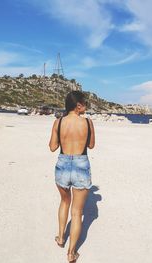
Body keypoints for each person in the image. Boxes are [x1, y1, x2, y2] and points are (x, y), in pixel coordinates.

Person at [48, 91, 95, 262]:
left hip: (63, 162)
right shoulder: (88, 123)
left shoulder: (58, 122)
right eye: (85, 103)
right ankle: (71, 253)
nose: (86, 106)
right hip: (81, 163)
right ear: (78, 106)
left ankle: (61, 238)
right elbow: (91, 145)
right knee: (77, 212)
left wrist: (63, 137)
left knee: (64, 201)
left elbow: (53, 147)